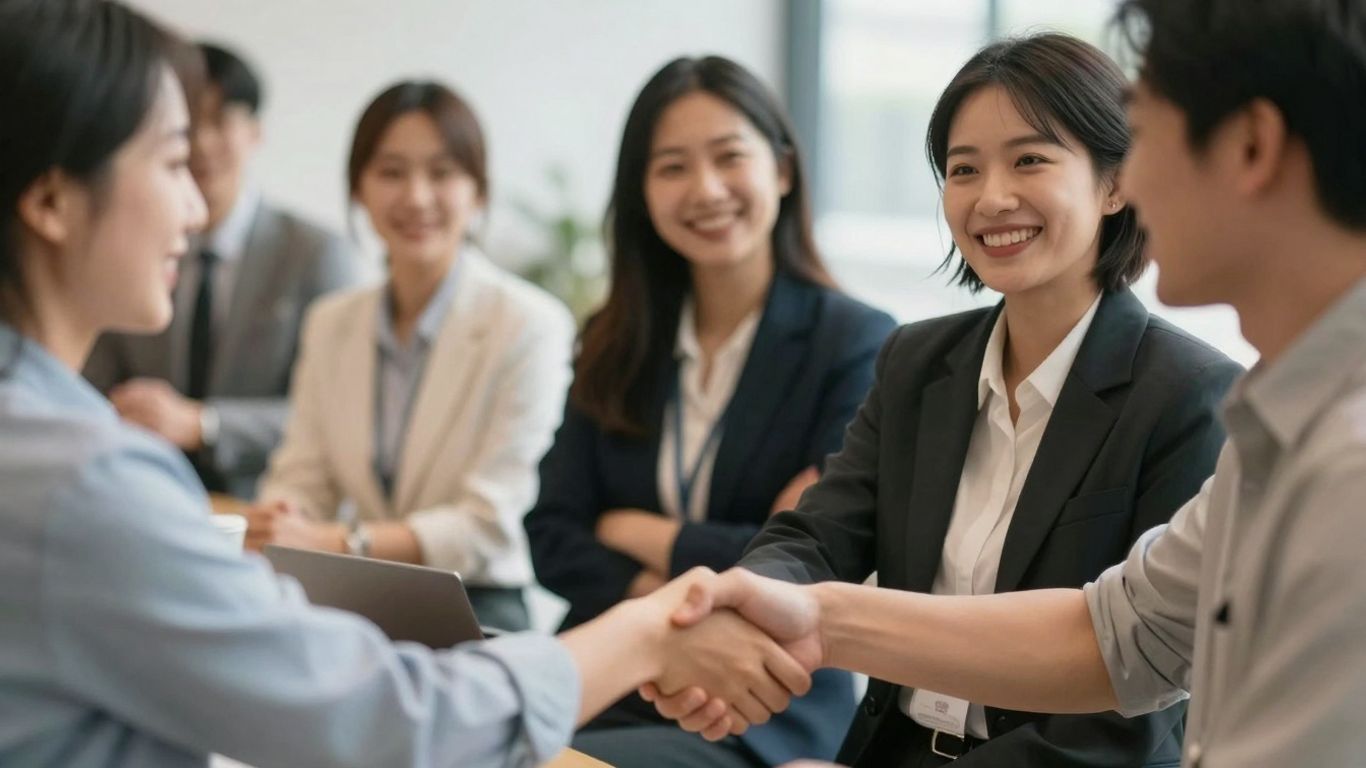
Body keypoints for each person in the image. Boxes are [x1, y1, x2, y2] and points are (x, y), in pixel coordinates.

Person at [0, 2, 813, 766]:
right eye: (176, 161)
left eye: (442, 173)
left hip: (465, 629)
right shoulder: (84, 480)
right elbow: (402, 713)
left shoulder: (531, 322)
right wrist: (643, 628)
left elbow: (512, 526)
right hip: (390, 653)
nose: (195, 205)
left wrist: (637, 561)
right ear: (50, 200)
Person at [649, 1, 1366, 766]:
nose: (991, 197)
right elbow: (1119, 633)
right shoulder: (1277, 429)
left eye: (1145, 135)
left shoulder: (1319, 450)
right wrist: (800, 612)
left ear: (1250, 147)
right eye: (963, 168)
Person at [523, 55, 895, 768]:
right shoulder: (615, 339)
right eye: (671, 167)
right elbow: (551, 532)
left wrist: (631, 528)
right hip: (606, 681)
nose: (706, 189)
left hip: (758, 705)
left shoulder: (853, 343)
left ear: (782, 171)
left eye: (729, 157)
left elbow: (800, 560)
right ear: (642, 192)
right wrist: (666, 620)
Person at [243, 80, 574, 632]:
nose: (417, 197)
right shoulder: (331, 323)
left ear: (479, 192)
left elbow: (489, 523)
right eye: (391, 172)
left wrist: (339, 542)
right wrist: (284, 519)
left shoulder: (529, 325)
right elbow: (302, 473)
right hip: (356, 593)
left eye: (442, 173)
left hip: (477, 601)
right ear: (359, 189)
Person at [83, 40, 358, 499]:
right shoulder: (128, 246)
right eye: (188, 124)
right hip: (140, 493)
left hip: (270, 504)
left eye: (220, 120)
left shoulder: (318, 254)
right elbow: (93, 378)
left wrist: (203, 423)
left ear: (255, 131)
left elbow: (339, 418)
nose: (203, 143)